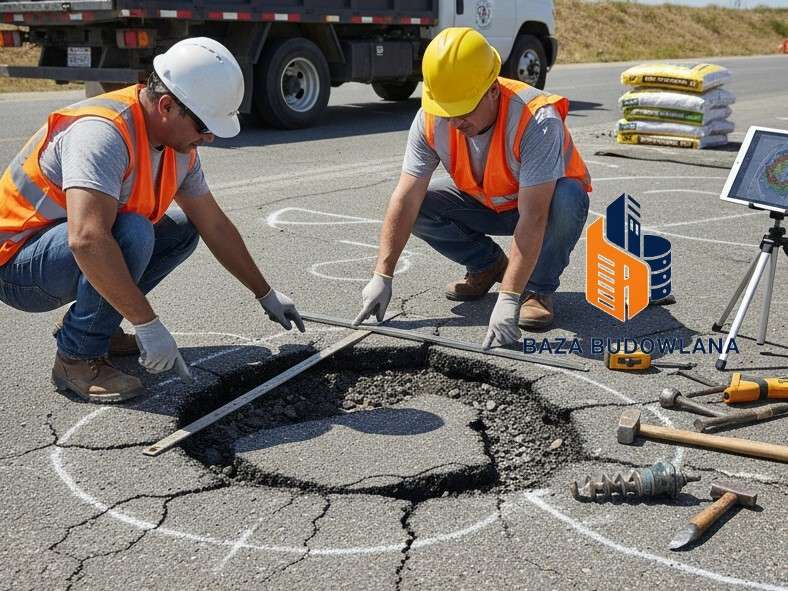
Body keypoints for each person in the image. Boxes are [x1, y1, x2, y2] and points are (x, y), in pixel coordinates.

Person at [0, 37, 304, 403]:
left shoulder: (179, 148)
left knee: (181, 231)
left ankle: (99, 324)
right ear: (166, 106)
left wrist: (265, 293)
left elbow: (214, 225)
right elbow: (88, 239)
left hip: (61, 252)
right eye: (203, 127)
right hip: (17, 265)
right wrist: (148, 324)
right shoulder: (103, 133)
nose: (208, 137)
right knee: (133, 231)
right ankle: (76, 359)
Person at [353, 27, 591, 348]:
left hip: (540, 207)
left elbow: (533, 217)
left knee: (569, 198)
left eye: (463, 111)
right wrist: (382, 275)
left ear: (493, 90)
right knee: (420, 203)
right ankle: (487, 264)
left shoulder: (536, 119)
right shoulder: (431, 117)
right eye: (447, 111)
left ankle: (537, 290)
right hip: (486, 204)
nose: (453, 122)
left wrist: (509, 298)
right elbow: (406, 197)